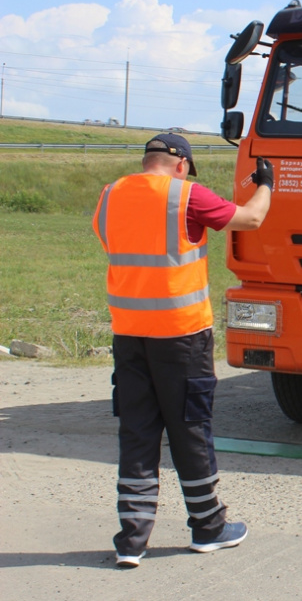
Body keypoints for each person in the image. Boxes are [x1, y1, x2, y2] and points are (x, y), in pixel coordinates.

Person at [92, 133, 273, 568]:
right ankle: (208, 527)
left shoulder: (111, 194)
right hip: (181, 335)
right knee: (190, 429)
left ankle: (131, 540)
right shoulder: (187, 196)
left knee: (137, 431)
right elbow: (249, 219)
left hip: (130, 333)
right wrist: (265, 183)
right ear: (181, 166)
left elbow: (110, 244)